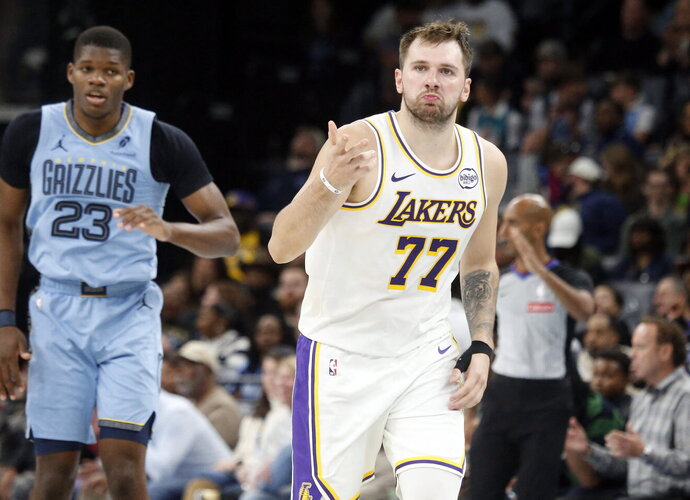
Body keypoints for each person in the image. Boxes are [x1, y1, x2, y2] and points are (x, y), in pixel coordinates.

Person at [268, 20, 507, 500]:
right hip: (341, 355)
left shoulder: (487, 162)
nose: (431, 80)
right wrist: (328, 183)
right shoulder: (358, 144)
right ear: (399, 78)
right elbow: (281, 248)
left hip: (426, 356)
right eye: (420, 68)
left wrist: (482, 344)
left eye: (446, 71)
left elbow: (480, 263)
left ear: (466, 87)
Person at [0, 26, 239, 500]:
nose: (97, 79)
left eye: (110, 71)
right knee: (53, 476)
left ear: (127, 80)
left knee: (125, 470)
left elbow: (226, 236)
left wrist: (169, 230)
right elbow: (6, 225)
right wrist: (5, 320)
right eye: (88, 69)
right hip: (57, 309)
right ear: (71, 72)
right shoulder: (31, 131)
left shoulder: (160, 140)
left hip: (128, 311)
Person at [468, 193, 594, 500]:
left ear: (539, 228)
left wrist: (540, 270)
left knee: (535, 492)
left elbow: (584, 311)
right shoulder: (500, 280)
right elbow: (486, 342)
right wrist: (470, 413)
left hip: (547, 400)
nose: (503, 233)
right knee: (481, 490)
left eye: (512, 223)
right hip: (501, 396)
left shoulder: (569, 277)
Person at [565, 317, 690, 499]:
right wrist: (588, 450)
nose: (632, 355)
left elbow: (686, 465)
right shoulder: (642, 398)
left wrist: (643, 452)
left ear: (665, 352)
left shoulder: (685, 396)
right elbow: (626, 467)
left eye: (640, 347)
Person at [175, 341, 243, 448]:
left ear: (206, 370)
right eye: (180, 367)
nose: (180, 373)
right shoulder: (192, 403)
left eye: (187, 366)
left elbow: (211, 453)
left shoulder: (222, 408)